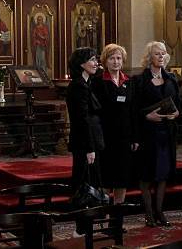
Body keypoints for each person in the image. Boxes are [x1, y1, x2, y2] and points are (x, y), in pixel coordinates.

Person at [132, 41, 180, 227]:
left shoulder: (171, 79)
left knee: (162, 173)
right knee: (147, 174)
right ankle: (149, 213)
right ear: (149, 57)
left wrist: (176, 113)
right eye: (157, 54)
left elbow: (177, 103)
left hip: (166, 133)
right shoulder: (139, 80)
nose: (161, 56)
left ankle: (160, 212)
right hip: (147, 133)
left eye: (163, 53)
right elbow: (133, 109)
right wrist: (147, 116)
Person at [91, 44, 138, 206]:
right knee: (106, 178)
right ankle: (104, 213)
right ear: (105, 61)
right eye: (112, 58)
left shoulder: (129, 81)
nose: (116, 62)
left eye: (118, 58)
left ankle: (117, 217)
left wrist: (134, 137)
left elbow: (133, 110)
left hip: (124, 137)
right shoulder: (97, 82)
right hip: (106, 136)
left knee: (122, 178)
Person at [65, 47, 104, 235]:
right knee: (83, 186)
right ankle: (80, 228)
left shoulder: (87, 83)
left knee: (91, 184)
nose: (97, 63)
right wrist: (89, 148)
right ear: (81, 64)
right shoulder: (77, 86)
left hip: (92, 141)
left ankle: (88, 225)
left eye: (97, 59)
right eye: (92, 60)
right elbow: (81, 120)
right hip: (84, 144)